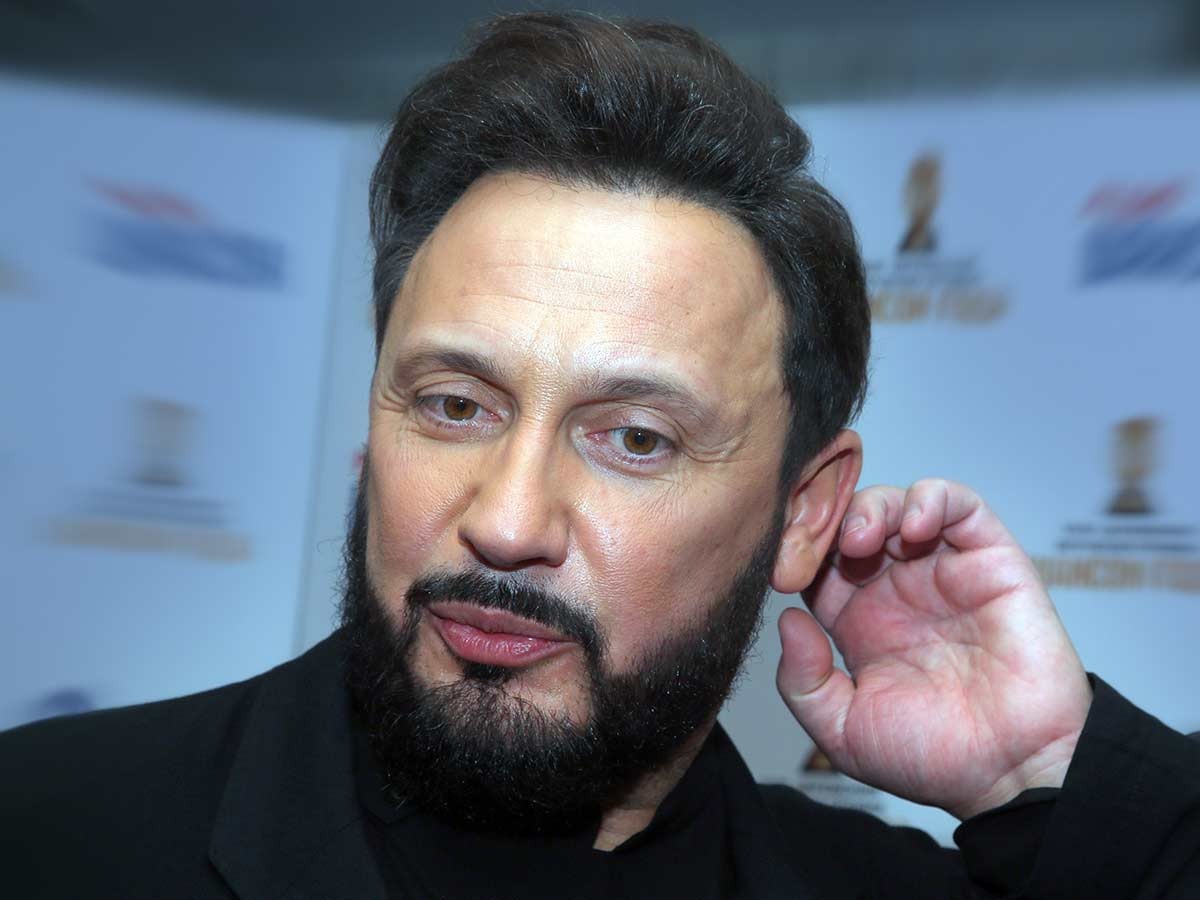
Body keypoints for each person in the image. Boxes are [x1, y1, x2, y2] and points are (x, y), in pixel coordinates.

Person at [3, 11, 1198, 899]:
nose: (508, 521)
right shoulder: (49, 832)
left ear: (804, 512)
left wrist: (1051, 773)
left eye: (634, 438)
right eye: (455, 405)